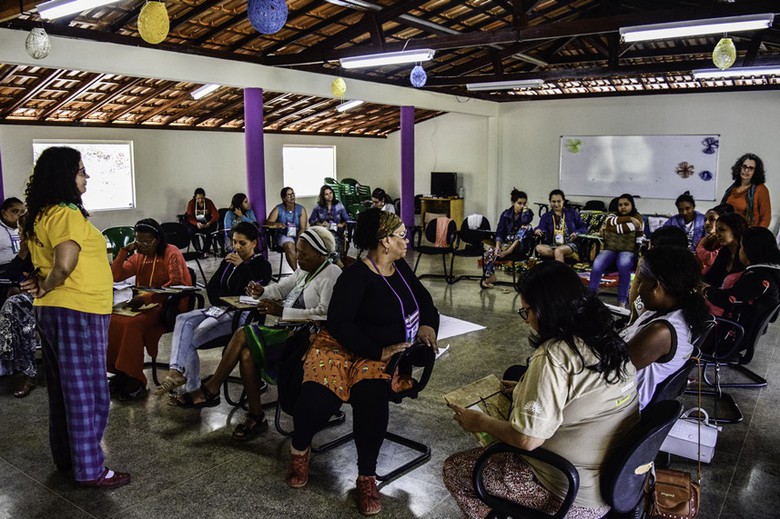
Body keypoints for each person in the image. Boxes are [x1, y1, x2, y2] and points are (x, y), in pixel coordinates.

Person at [443, 261, 638, 518]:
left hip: (569, 493)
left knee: (456, 469)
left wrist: (480, 421)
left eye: (526, 312)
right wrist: (526, 388)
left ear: (545, 310)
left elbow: (528, 439)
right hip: (613, 483)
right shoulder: (606, 337)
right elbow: (580, 394)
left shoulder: (554, 354)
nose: (526, 321)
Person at [286, 209, 439, 515]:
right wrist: (376, 351)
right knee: (319, 400)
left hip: (378, 353)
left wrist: (428, 325)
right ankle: (300, 449)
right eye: (401, 235)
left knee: (372, 398)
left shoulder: (401, 268)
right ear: (384, 241)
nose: (406, 240)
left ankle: (366, 476)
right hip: (342, 348)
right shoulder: (356, 277)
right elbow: (341, 325)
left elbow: (425, 302)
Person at [21, 146, 130, 487]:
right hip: (78, 309)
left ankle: (69, 458)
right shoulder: (66, 213)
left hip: (55, 312)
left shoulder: (39, 214)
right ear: (65, 175)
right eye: (82, 171)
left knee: (64, 390)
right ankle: (90, 469)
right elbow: (65, 264)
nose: (87, 176)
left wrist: (41, 283)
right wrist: (47, 284)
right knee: (89, 392)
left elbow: (29, 259)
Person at [174, 227, 341, 440]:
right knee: (246, 355)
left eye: (304, 254)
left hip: (310, 337)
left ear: (321, 253)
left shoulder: (331, 274)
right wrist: (263, 291)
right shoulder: (304, 270)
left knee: (244, 333)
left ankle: (214, 389)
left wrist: (282, 311)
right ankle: (254, 415)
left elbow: (324, 314)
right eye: (297, 252)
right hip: (291, 330)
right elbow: (282, 288)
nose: (298, 257)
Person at [155, 222, 272, 395]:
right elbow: (212, 287)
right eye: (234, 242)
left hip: (239, 316)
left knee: (189, 340)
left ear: (254, 243)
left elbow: (249, 292)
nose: (236, 247)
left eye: (242, 243)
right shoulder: (228, 261)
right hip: (220, 309)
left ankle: (192, 389)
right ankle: (176, 371)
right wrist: (225, 299)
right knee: (182, 319)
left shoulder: (262, 266)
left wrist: (242, 268)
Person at [107, 218, 192, 400]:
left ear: (158, 239)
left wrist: (146, 297)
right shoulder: (139, 257)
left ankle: (136, 379)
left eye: (148, 241)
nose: (143, 245)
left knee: (132, 324)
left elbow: (175, 283)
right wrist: (123, 251)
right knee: (113, 319)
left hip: (168, 306)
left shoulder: (171, 252)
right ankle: (121, 372)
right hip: (145, 304)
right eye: (139, 241)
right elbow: (116, 275)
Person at [620, 246, 711, 409]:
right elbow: (636, 310)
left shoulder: (661, 332)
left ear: (655, 286)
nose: (638, 289)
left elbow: (612, 371)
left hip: (622, 407)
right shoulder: (669, 312)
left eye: (639, 281)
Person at [703, 227, 780, 341]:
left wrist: (705, 289)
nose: (740, 250)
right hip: (743, 330)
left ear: (751, 251)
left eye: (742, 246)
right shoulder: (773, 271)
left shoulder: (759, 277)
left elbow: (728, 299)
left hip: (731, 335)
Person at [0, 213, 38, 398]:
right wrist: (22, 254)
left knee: (15, 308)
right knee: (13, 305)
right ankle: (21, 368)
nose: (19, 233)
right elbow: (9, 276)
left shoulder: (48, 248)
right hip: (32, 297)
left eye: (21, 230)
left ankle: (25, 372)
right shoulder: (27, 249)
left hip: (55, 297)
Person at [588, 194, 643, 307]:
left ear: (632, 205)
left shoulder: (638, 218)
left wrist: (609, 228)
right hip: (611, 248)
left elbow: (625, 228)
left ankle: (622, 300)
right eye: (620, 205)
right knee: (597, 263)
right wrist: (629, 219)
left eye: (626, 204)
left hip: (628, 250)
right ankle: (591, 295)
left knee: (623, 264)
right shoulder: (613, 215)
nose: (623, 207)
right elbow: (609, 221)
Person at [481, 188, 534, 289]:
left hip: (520, 247)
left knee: (526, 227)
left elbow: (525, 220)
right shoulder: (506, 214)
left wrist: (508, 252)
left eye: (524, 203)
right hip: (506, 245)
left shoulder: (528, 213)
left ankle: (508, 251)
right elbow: (500, 231)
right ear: (513, 203)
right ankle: (491, 276)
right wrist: (497, 246)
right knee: (489, 252)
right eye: (519, 203)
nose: (522, 206)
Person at [534, 189, 587, 262]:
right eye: (553, 202)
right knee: (539, 248)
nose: (556, 204)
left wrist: (576, 233)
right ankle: (570, 255)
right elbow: (540, 227)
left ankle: (560, 273)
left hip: (569, 244)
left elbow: (583, 227)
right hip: (552, 245)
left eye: (559, 201)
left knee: (558, 251)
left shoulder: (572, 213)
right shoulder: (546, 216)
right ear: (550, 202)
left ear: (563, 201)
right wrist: (538, 230)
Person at [721, 153, 771, 227]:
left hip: (749, 233)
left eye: (751, 168)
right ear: (739, 167)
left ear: (756, 172)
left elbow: (766, 218)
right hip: (729, 232)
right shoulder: (732, 188)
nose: (746, 170)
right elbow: (721, 210)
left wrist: (757, 236)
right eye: (744, 167)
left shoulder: (761, 189)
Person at [702, 212, 747, 290]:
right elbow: (711, 278)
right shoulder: (724, 252)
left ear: (735, 230)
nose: (717, 235)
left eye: (722, 230)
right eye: (716, 231)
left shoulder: (746, 255)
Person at [267, 186, 308, 271]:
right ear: (284, 198)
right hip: (283, 235)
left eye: (293, 194)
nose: (292, 196)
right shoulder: (278, 209)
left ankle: (307, 270)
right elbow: (268, 223)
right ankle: (297, 272)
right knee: (290, 245)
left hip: (298, 235)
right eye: (289, 195)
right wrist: (276, 224)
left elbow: (303, 227)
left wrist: (299, 239)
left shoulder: (301, 209)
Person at [309, 184, 350, 256]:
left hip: (337, 230)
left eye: (330, 193)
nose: (329, 195)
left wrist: (342, 224)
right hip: (324, 230)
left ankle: (335, 259)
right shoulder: (318, 205)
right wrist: (320, 224)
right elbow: (311, 220)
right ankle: (336, 260)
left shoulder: (338, 204)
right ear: (323, 196)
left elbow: (347, 219)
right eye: (326, 194)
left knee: (334, 238)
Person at [696, 203, 733, 275]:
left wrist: (700, 246)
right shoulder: (706, 239)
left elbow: (710, 260)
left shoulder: (726, 240)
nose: (706, 223)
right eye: (705, 219)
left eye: (712, 219)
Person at [185, 187, 219, 255]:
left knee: (211, 230)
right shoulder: (191, 203)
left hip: (207, 223)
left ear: (204, 197)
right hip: (195, 224)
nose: (200, 200)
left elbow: (216, 215)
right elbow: (190, 217)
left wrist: (210, 222)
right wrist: (196, 223)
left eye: (202, 198)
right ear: (195, 197)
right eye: (198, 199)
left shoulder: (209, 202)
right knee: (191, 231)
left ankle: (205, 250)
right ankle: (198, 250)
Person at [0, 197, 23, 274]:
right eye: (15, 211)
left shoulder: (26, 228)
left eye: (22, 212)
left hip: (23, 266)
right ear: (4, 213)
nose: (19, 215)